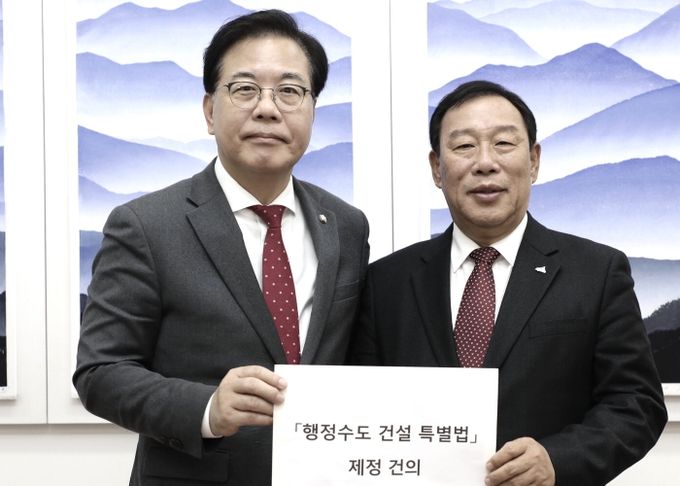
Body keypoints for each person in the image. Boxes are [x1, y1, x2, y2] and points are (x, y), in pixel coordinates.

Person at [74, 10, 369, 485]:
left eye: (290, 91)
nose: (268, 108)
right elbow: (100, 372)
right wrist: (208, 408)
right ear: (210, 111)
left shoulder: (346, 225)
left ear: (312, 111)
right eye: (245, 89)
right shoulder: (146, 225)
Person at [349, 80, 667, 485]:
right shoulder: (386, 283)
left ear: (533, 161)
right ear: (436, 168)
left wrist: (557, 459)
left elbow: (636, 404)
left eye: (503, 143)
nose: (485, 163)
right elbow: (359, 405)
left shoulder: (597, 272)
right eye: (464, 146)